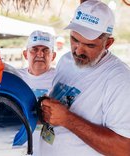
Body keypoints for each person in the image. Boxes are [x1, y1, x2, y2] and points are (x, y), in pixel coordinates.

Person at [40, 1, 130, 156]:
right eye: (74, 40)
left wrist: (67, 120)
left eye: (90, 45)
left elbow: (124, 149)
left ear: (108, 43)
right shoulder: (65, 61)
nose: (78, 51)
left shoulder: (119, 79)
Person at [18, 30, 56, 156]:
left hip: (52, 149)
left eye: (45, 50)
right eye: (34, 49)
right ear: (25, 54)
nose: (40, 54)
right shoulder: (14, 77)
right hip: (20, 148)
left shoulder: (62, 79)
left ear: (53, 56)